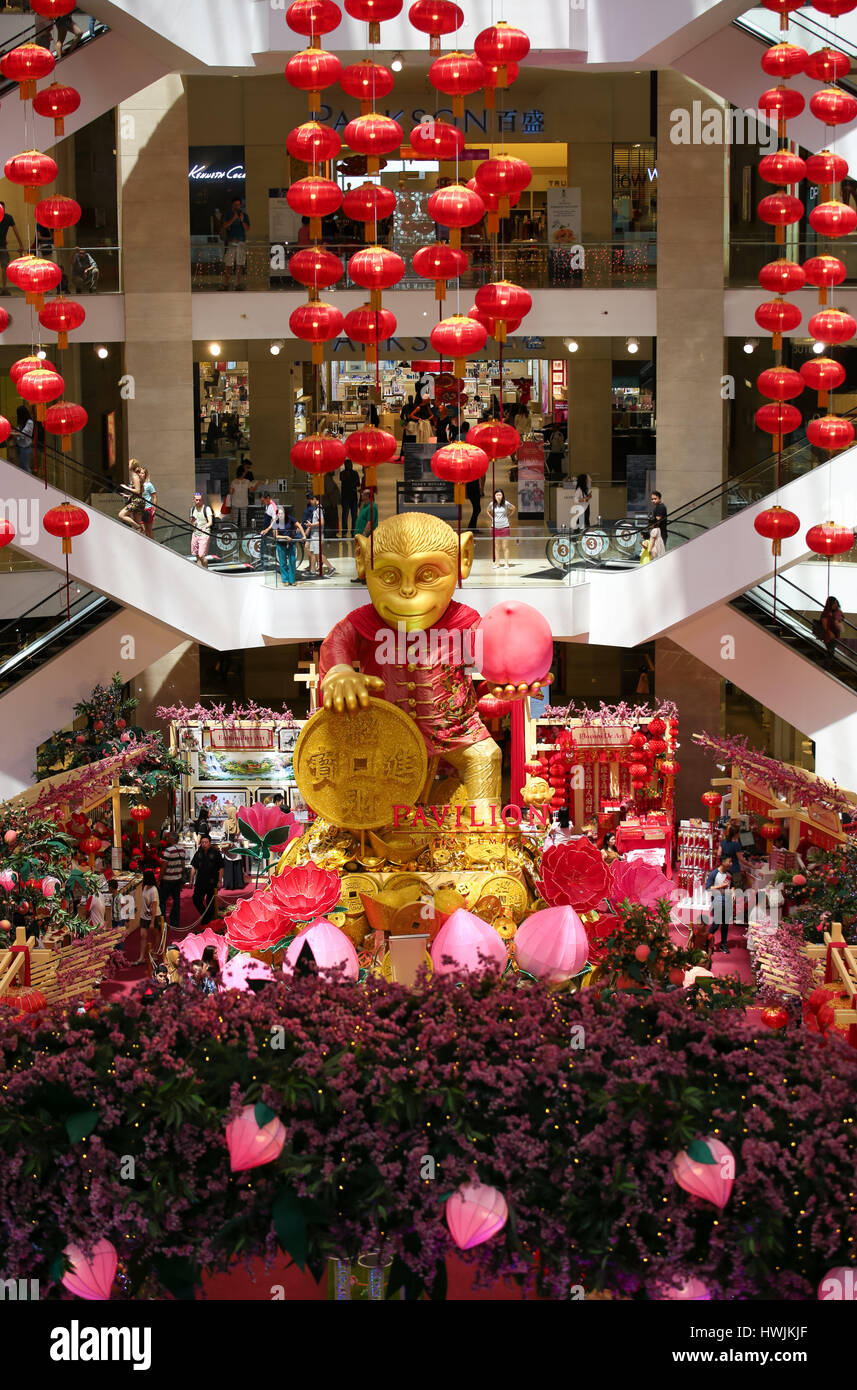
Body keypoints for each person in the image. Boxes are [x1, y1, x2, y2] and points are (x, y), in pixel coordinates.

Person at [189, 833, 224, 926]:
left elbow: (221, 867)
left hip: (212, 881)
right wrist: (191, 880)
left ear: (210, 843)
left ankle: (208, 921)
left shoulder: (216, 853)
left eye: (206, 842)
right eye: (202, 842)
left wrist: (220, 881)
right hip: (200, 881)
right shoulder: (198, 853)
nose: (204, 844)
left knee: (211, 902)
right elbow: (194, 867)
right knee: (196, 899)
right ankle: (206, 916)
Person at [704, 857, 733, 953]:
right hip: (717, 900)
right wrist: (721, 887)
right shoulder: (714, 873)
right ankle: (706, 941)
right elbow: (708, 888)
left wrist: (733, 893)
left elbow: (732, 886)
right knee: (716, 924)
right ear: (723, 862)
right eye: (729, 861)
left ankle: (723, 944)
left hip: (727, 901)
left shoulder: (729, 873)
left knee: (725, 924)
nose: (731, 863)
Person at [132, 869, 161, 966]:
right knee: (143, 935)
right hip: (144, 915)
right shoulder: (144, 887)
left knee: (155, 934)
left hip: (154, 916)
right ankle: (141, 957)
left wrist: (152, 922)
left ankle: (155, 953)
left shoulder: (154, 890)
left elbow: (154, 905)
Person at [158, 832, 185, 932]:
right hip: (177, 879)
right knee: (176, 900)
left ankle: (163, 921)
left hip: (168, 879)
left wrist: (159, 879)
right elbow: (183, 865)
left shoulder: (168, 851)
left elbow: (164, 866)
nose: (167, 839)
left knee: (162, 901)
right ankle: (175, 922)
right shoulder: (182, 850)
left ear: (173, 839)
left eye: (169, 838)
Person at [222, 196, 250, 290]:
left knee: (240, 264)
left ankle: (238, 283)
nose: (237, 206)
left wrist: (242, 220)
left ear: (240, 205)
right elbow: (225, 225)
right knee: (228, 263)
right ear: (232, 205)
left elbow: (247, 229)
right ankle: (226, 284)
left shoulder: (244, 215)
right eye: (235, 205)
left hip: (241, 243)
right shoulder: (228, 214)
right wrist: (233, 218)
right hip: (231, 242)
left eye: (238, 204)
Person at [274, 505, 306, 586]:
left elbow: (299, 526)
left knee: (292, 561)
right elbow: (275, 536)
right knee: (283, 562)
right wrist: (285, 537)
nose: (280, 515)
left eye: (281, 513)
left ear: (285, 514)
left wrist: (304, 535)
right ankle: (285, 580)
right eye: (278, 514)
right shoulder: (276, 522)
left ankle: (292, 580)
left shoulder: (290, 518)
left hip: (291, 543)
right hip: (281, 544)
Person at [483, 488, 516, 568]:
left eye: (500, 495)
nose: (498, 496)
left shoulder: (506, 503)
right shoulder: (492, 504)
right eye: (497, 494)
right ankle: (497, 563)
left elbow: (513, 508)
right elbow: (488, 511)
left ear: (502, 496)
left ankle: (506, 563)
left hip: (505, 526)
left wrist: (507, 516)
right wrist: (492, 518)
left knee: (505, 546)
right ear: (494, 496)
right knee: (497, 547)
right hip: (495, 527)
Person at [719, 817, 751, 890]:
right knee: (737, 890)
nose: (740, 833)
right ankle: (736, 901)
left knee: (727, 888)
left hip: (725, 869)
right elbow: (741, 859)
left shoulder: (723, 841)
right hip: (735, 870)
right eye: (739, 832)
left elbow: (719, 853)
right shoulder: (736, 844)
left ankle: (728, 901)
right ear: (736, 834)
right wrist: (751, 866)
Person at [118, 459, 146, 532]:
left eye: (128, 464)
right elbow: (141, 490)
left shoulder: (135, 476)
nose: (127, 466)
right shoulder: (137, 476)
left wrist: (126, 487)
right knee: (138, 521)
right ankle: (143, 536)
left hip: (137, 502)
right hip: (138, 500)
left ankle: (138, 527)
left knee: (121, 514)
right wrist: (128, 496)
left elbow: (138, 490)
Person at [0, 201, 23, 291]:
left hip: (2, 245)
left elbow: (16, 231)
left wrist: (21, 244)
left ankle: (4, 288)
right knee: (4, 266)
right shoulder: (7, 217)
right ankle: (4, 288)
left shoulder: (7, 218)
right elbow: (16, 231)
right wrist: (21, 244)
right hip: (2, 245)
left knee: (5, 266)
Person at [190, 490, 215, 566]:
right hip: (195, 533)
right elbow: (192, 523)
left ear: (202, 500)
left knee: (201, 555)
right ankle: (200, 572)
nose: (198, 501)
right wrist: (192, 521)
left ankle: (206, 569)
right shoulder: (192, 509)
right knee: (197, 556)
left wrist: (205, 527)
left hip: (204, 533)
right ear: (193, 500)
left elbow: (210, 522)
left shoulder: (206, 509)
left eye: (200, 500)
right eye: (196, 500)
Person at [230, 461, 255, 531]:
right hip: (244, 503)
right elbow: (252, 490)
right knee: (244, 521)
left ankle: (234, 534)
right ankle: (243, 535)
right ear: (243, 473)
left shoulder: (234, 481)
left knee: (235, 520)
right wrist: (258, 483)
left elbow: (231, 492)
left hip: (235, 503)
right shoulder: (247, 482)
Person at [258, 492, 278, 570]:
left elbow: (275, 519)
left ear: (268, 498)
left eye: (263, 501)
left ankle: (265, 567)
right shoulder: (267, 505)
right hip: (265, 530)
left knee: (265, 549)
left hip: (269, 531)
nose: (262, 502)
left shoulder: (273, 506)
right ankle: (263, 565)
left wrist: (267, 529)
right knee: (263, 548)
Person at [340, 458, 360, 537]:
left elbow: (358, 483)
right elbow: (342, 479)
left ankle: (353, 531)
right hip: (345, 497)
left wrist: (353, 483)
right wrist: (347, 476)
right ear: (345, 465)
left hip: (353, 497)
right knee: (345, 514)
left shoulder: (355, 473)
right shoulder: (342, 473)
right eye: (348, 464)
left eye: (350, 464)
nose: (350, 466)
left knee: (354, 515)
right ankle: (344, 531)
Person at [14, 405, 33, 474]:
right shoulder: (21, 422)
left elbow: (23, 433)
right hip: (19, 446)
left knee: (25, 466)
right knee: (21, 466)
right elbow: (18, 431)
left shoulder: (29, 422)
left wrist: (13, 433)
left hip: (25, 447)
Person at [323, 470, 341, 537]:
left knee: (331, 522)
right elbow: (330, 493)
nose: (334, 471)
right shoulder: (327, 478)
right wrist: (333, 504)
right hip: (329, 505)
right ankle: (330, 536)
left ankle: (331, 535)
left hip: (329, 505)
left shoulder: (329, 478)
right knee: (331, 522)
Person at [141, 466, 157, 538]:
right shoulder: (138, 484)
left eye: (142, 473)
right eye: (140, 473)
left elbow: (155, 497)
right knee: (142, 529)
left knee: (149, 529)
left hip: (148, 509)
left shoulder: (149, 485)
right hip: (140, 509)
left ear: (145, 474)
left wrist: (154, 509)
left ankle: (153, 545)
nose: (141, 474)